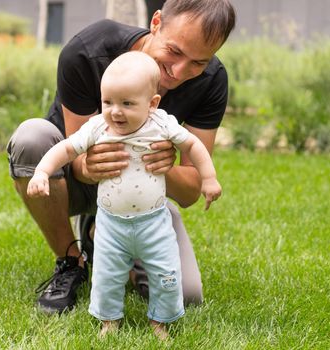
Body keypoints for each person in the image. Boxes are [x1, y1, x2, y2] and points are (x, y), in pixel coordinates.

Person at [6, 0, 236, 314]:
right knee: (31, 137)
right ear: (156, 23)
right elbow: (78, 158)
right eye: (175, 51)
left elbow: (190, 191)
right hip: (73, 181)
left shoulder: (212, 81)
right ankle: (71, 262)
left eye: (198, 62)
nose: (179, 72)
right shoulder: (89, 50)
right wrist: (89, 165)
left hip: (142, 195)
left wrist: (160, 165)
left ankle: (99, 235)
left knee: (188, 293)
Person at [27, 51, 222, 338]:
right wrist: (43, 172)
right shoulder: (98, 127)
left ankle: (160, 320)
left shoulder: (162, 124)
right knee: (107, 276)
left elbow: (193, 145)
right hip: (112, 224)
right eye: (108, 102)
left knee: (166, 275)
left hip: (153, 223)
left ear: (152, 104)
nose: (115, 111)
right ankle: (109, 321)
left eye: (127, 103)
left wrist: (209, 178)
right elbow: (66, 149)